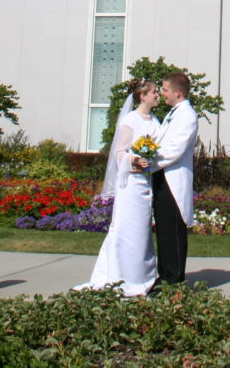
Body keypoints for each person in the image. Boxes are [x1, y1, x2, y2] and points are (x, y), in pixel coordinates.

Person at [76, 78, 161, 296]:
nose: (157, 96)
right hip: (131, 184)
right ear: (143, 96)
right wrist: (134, 160)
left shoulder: (154, 120)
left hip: (146, 182)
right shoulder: (130, 120)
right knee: (127, 228)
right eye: (154, 93)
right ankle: (120, 275)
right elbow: (119, 153)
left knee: (142, 230)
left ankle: (142, 275)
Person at [143, 73, 198, 287]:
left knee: (173, 227)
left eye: (165, 90)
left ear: (177, 92)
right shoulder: (173, 114)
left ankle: (174, 277)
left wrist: (151, 161)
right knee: (164, 227)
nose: (162, 94)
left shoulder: (187, 115)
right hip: (162, 176)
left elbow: (176, 148)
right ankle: (164, 273)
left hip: (173, 178)